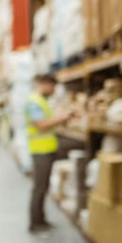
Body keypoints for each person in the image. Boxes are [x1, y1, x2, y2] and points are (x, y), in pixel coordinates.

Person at [26, 74, 85, 232]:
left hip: (46, 148)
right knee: (39, 188)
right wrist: (63, 118)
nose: (53, 91)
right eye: (52, 87)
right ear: (45, 84)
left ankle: (41, 220)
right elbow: (41, 125)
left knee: (43, 187)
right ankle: (35, 224)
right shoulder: (34, 102)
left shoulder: (42, 101)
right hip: (41, 151)